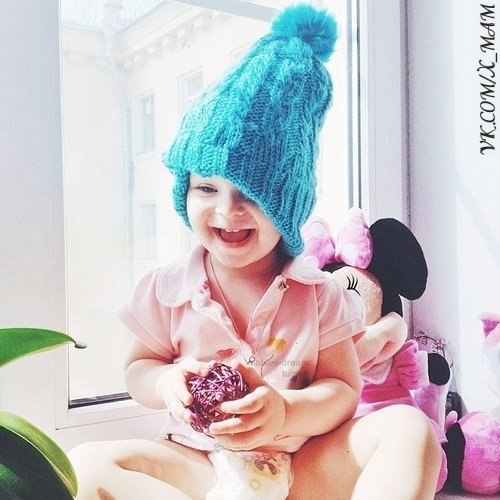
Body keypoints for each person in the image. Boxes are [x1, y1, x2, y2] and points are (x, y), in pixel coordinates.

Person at [69, 4, 441, 499]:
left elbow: (342, 391)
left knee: (409, 430)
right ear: (185, 192)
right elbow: (140, 369)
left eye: (251, 195)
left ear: (285, 207)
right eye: (206, 188)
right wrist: (168, 383)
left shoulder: (320, 293)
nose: (227, 211)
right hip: (199, 463)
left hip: (303, 466)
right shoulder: (168, 289)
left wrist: (284, 412)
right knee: (84, 464)